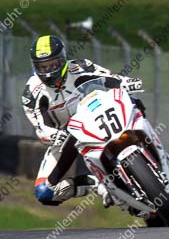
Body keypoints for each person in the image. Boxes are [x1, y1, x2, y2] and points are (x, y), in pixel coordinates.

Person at [22, 34, 143, 206]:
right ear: (35, 66)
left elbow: (109, 78)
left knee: (134, 101)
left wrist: (127, 82)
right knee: (44, 192)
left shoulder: (80, 66)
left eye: (53, 64)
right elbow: (40, 127)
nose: (48, 71)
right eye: (43, 67)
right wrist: (54, 135)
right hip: (64, 138)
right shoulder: (31, 92)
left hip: (97, 116)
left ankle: (148, 143)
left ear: (63, 59)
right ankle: (98, 185)